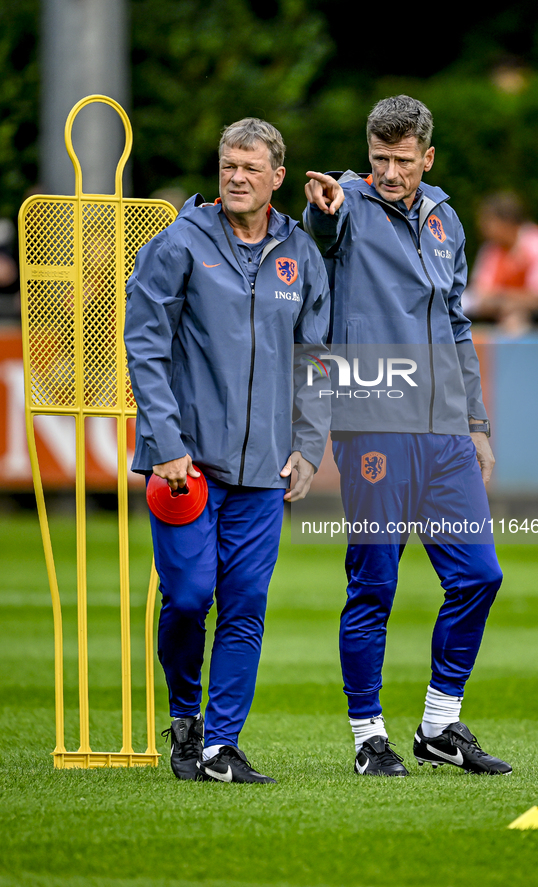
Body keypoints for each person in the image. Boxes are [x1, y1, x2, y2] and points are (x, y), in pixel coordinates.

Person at [303, 95, 511, 777]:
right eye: (377, 158)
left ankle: (438, 726)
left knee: (479, 574)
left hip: (444, 428)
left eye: (400, 160)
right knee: (375, 584)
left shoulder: (444, 218)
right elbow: (322, 228)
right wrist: (323, 208)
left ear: (427, 156)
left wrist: (475, 422)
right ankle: (368, 736)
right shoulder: (345, 205)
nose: (387, 172)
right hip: (372, 423)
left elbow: (455, 325)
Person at [125, 118, 330, 784]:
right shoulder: (176, 244)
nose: (236, 177)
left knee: (244, 602)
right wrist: (164, 442)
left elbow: (317, 358)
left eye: (250, 167)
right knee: (187, 597)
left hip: (265, 469)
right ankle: (184, 713)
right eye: (227, 165)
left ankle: (219, 745)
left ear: (276, 177)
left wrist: (307, 444)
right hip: (184, 466)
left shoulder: (300, 253)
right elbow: (146, 347)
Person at [464, 191, 538, 334]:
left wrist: (500, 299)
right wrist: (507, 302)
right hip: (501, 324)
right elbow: (479, 295)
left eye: (487, 221)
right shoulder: (491, 249)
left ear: (507, 222)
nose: (481, 227)